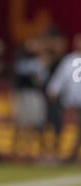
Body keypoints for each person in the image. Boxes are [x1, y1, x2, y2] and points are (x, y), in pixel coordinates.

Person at [47, 33, 81, 162]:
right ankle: (66, 153)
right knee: (70, 127)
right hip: (72, 103)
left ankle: (72, 153)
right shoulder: (69, 60)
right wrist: (53, 89)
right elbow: (60, 77)